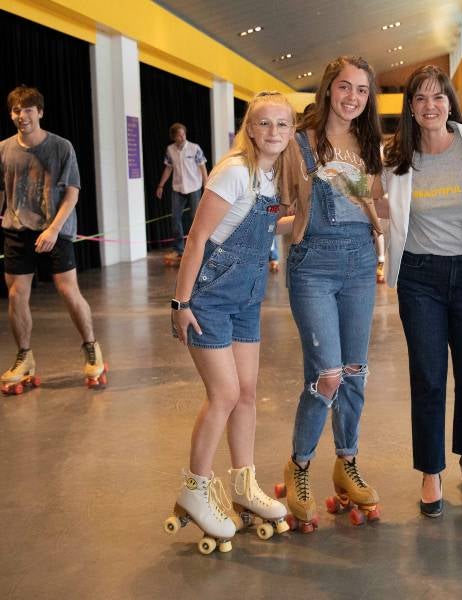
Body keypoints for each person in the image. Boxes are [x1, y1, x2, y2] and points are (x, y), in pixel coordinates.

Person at [164, 90, 301, 553]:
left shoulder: (269, 174)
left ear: (292, 130)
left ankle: (243, 485)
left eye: (283, 124)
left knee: (246, 393)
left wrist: (299, 221)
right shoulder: (234, 170)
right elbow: (199, 238)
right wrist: (181, 305)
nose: (274, 132)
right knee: (223, 393)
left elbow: (259, 226)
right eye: (264, 123)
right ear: (249, 126)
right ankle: (196, 488)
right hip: (209, 297)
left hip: (247, 296)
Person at [381, 65, 462, 518]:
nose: (431, 106)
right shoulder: (396, 156)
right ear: (411, 107)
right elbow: (373, 199)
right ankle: (431, 469)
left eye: (438, 97)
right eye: (421, 98)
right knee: (428, 378)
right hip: (420, 278)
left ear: (450, 102)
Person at [281, 56, 385, 532]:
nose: (352, 98)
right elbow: (274, 209)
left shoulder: (369, 144)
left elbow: (378, 203)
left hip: (361, 265)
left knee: (354, 372)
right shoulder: (298, 144)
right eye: (345, 87)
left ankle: (347, 461)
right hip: (313, 267)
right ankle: (299, 466)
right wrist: (295, 224)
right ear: (328, 90)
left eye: (362, 91)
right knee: (326, 375)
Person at [0, 85, 106, 393]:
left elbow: (72, 192)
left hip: (56, 227)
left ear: (40, 112)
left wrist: (53, 230)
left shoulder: (61, 147)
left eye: (28, 110)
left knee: (67, 290)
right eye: (17, 110)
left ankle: (91, 347)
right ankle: (24, 357)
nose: (22, 116)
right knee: (17, 294)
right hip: (17, 229)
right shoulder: (5, 149)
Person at [155, 122, 208, 263]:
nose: (182, 137)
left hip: (194, 187)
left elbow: (202, 166)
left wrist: (206, 183)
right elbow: (168, 168)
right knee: (175, 218)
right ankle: (178, 249)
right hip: (178, 188)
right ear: (173, 137)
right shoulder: (170, 149)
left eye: (183, 134)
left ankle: (196, 248)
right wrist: (161, 185)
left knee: (195, 218)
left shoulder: (194, 148)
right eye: (178, 135)